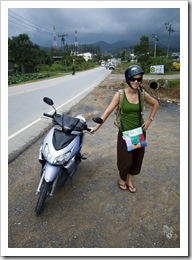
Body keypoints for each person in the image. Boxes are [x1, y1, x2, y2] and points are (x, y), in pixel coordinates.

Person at [90, 65, 159, 193]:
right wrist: (97, 127)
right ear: (128, 80)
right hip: (124, 133)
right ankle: (122, 178)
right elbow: (107, 111)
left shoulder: (142, 94)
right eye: (133, 79)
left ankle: (129, 180)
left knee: (137, 159)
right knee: (125, 160)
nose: (136, 82)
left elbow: (156, 103)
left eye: (138, 79)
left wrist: (150, 120)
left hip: (138, 132)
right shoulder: (120, 95)